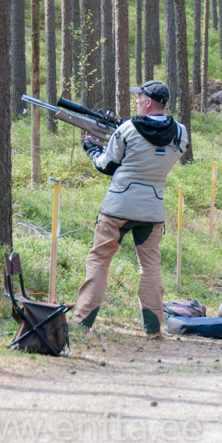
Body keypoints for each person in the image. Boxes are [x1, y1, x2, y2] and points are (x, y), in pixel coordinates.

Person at [72, 80, 190, 335]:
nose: (136, 102)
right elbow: (157, 151)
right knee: (150, 267)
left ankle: (81, 323)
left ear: (148, 103)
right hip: (152, 210)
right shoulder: (180, 132)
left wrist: (92, 148)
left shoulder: (127, 128)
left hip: (117, 208)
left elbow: (106, 165)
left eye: (139, 99)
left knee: (99, 261)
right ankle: (152, 327)